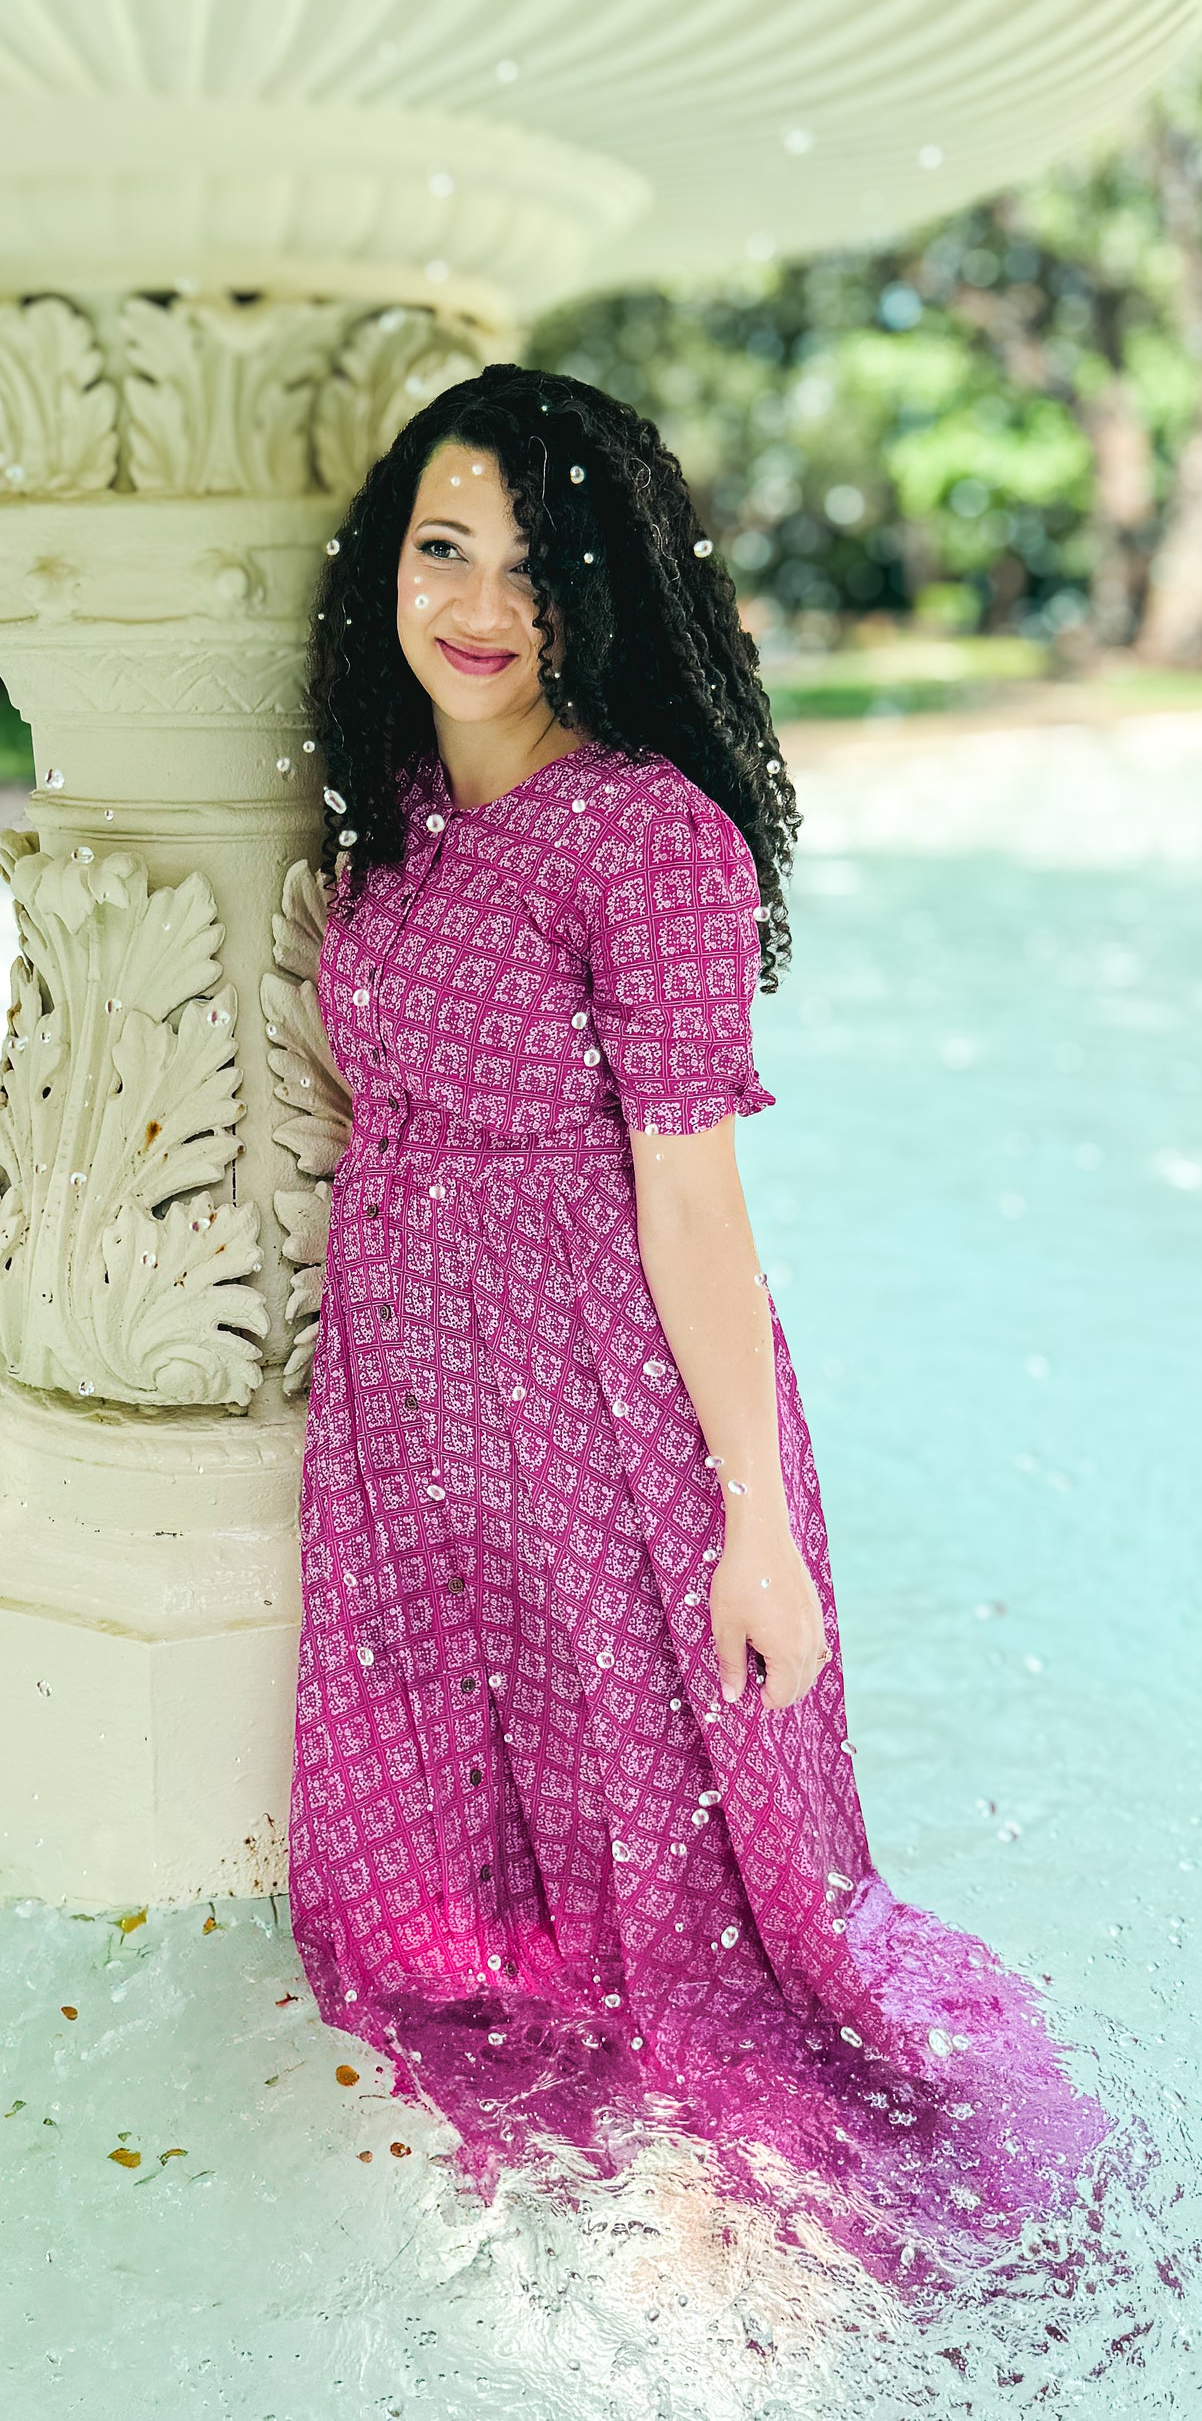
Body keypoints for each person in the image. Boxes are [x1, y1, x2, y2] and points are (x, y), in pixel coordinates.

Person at [286, 366, 1102, 2282]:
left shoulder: (649, 839)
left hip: (594, 1391)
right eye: (441, 549)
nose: (479, 606)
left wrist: (751, 1516)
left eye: (534, 564)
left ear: (610, 585)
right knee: (453, 1837)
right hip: (406, 1396)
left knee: (661, 1837)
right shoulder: (398, 799)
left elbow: (688, 1189)